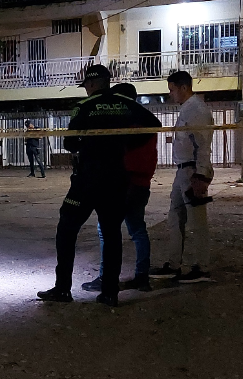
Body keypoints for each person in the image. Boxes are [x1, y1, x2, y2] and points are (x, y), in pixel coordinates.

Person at [37, 65, 156, 307]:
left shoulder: (85, 106)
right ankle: (110, 293)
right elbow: (152, 124)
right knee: (112, 233)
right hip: (116, 179)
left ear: (91, 85)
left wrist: (88, 143)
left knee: (67, 228)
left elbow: (69, 143)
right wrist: (125, 144)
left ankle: (62, 289)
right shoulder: (126, 103)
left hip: (88, 178)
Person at [81, 83, 162, 293]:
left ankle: (106, 278)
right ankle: (142, 276)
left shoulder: (126, 124)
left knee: (106, 231)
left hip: (122, 183)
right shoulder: (147, 122)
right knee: (137, 230)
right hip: (142, 183)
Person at [149, 71, 214, 283]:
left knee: (196, 221)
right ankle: (174, 264)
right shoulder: (189, 108)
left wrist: (201, 175)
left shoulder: (195, 109)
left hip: (191, 171)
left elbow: (203, 145)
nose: (171, 95)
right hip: (183, 170)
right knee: (175, 217)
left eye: (172, 90)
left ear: (183, 88)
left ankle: (201, 268)